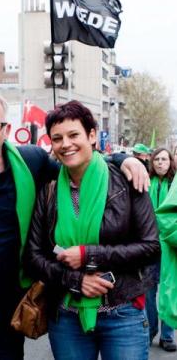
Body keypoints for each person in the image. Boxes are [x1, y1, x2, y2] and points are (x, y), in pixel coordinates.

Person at [0, 91, 149, 360]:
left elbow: (77, 163)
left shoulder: (31, 162)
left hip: (8, 313)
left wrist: (124, 159)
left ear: (5, 130)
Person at [26, 101, 160, 360]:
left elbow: (150, 247)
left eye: (74, 135)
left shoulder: (127, 180)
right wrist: (76, 281)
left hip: (123, 313)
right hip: (66, 315)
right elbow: (34, 257)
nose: (66, 144)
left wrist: (89, 255)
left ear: (91, 135)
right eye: (57, 138)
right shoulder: (49, 190)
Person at [146, 147, 176, 351]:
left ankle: (167, 335)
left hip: (170, 245)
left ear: (171, 161)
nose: (160, 163)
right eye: (157, 159)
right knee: (148, 291)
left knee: (169, 289)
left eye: (164, 159)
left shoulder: (175, 184)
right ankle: (149, 330)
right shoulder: (145, 182)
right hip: (148, 246)